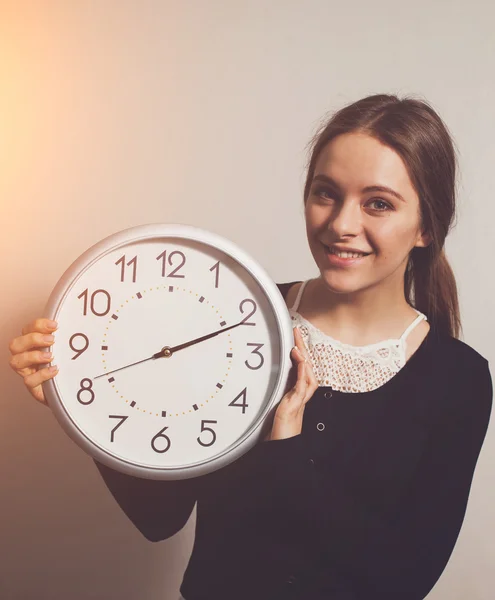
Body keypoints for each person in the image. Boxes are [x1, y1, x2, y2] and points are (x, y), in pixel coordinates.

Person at [8, 93, 493, 600]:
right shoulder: (233, 317)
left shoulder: (456, 380)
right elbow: (160, 518)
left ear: (428, 226)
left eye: (378, 204)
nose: (340, 224)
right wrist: (83, 405)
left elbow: (404, 579)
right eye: (326, 193)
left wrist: (285, 452)